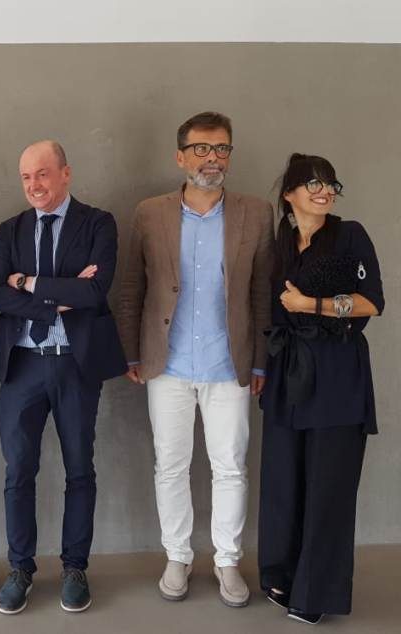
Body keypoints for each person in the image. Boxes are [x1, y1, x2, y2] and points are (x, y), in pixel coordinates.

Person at [116, 111, 274, 607]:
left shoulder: (256, 213)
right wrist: (131, 352)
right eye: (201, 148)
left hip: (230, 363)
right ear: (180, 156)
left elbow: (263, 292)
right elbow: (132, 287)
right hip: (167, 363)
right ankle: (178, 556)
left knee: (231, 467)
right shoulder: (150, 213)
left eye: (222, 148)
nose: (212, 158)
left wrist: (261, 361)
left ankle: (227, 560)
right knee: (171, 465)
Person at [0, 140, 126, 615]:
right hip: (22, 366)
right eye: (26, 177)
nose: (34, 185)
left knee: (79, 468)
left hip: (75, 365)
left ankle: (74, 568)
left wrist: (26, 283)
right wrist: (56, 299)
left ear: (65, 173)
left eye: (42, 174)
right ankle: (20, 568)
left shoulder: (98, 223)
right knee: (18, 471)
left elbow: (95, 290)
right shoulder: (10, 229)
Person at [257, 153, 383, 625]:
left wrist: (312, 304)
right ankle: (281, 574)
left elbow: (373, 302)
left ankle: (316, 593)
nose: (325, 191)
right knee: (283, 479)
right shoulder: (281, 244)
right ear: (289, 193)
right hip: (288, 371)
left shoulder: (350, 236)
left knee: (328, 486)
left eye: (330, 183)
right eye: (313, 183)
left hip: (336, 373)